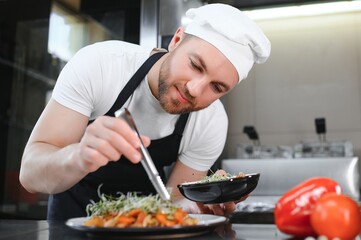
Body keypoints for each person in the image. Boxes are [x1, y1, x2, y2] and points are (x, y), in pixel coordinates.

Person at [19, 3, 271, 220]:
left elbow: (172, 203)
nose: (195, 90)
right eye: (195, 65)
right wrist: (78, 157)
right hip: (70, 226)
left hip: (147, 228)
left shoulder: (210, 122)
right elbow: (30, 175)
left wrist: (200, 204)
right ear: (176, 40)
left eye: (216, 87)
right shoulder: (101, 66)